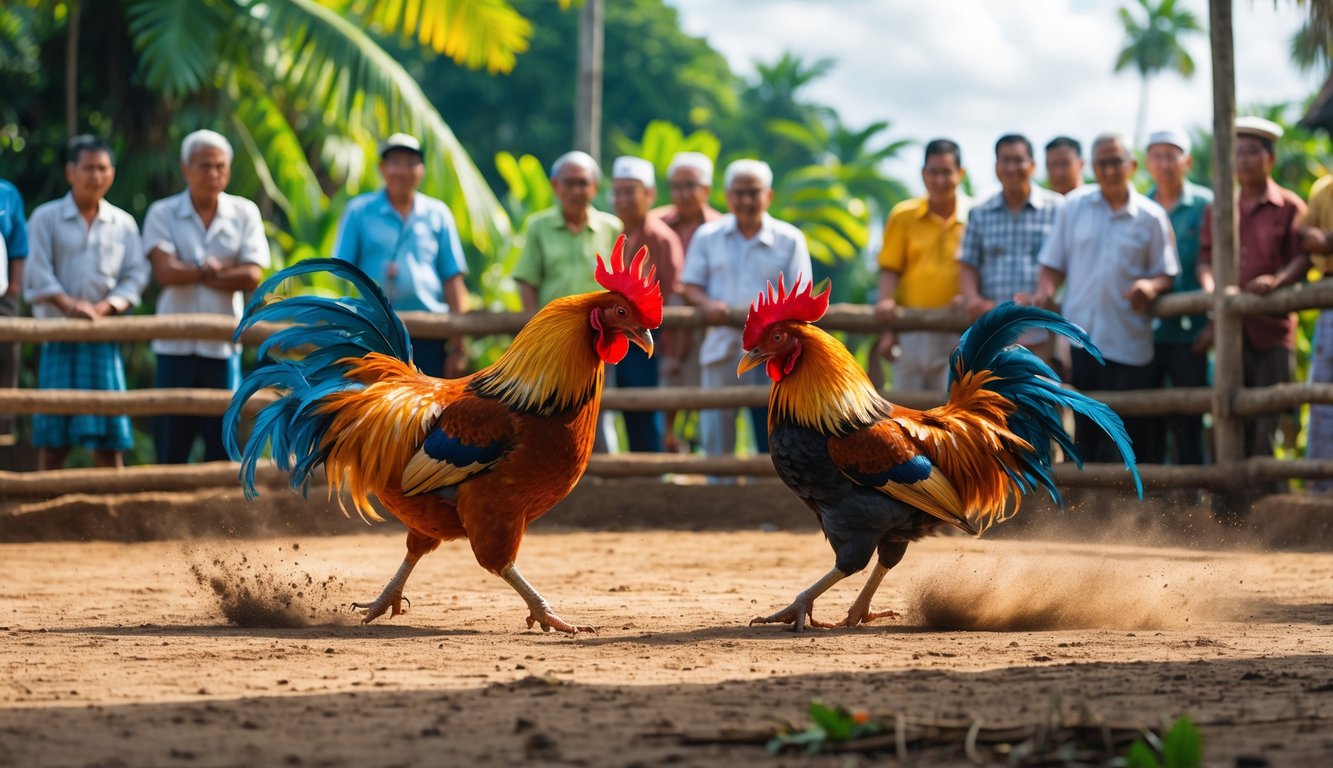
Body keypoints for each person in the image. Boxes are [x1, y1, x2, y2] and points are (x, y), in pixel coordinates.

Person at [1027, 132, 1178, 464]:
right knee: (1086, 431)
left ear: (1132, 165)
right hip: (1083, 341)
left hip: (1130, 342)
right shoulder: (1074, 207)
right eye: (1103, 163)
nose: (1109, 170)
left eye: (1116, 162)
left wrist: (1150, 287)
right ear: (1092, 166)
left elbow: (1166, 272)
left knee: (1126, 431)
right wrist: (1044, 292)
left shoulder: (1151, 216)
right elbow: (1052, 264)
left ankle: (1128, 513)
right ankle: (1088, 509)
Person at [143, 130, 271, 464]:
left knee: (222, 437)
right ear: (185, 168)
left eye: (220, 166)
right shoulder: (162, 212)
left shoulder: (244, 212)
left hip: (222, 345)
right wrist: (218, 268)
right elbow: (165, 273)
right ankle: (166, 509)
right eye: (204, 166)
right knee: (171, 440)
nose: (213, 173)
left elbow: (252, 276)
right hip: (174, 344)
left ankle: (220, 514)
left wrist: (195, 270)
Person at [24, 135, 149, 470]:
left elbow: (136, 275)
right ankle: (43, 513)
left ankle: (114, 514)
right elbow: (36, 268)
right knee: (54, 439)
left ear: (111, 174)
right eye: (89, 168)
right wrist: (69, 305)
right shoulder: (45, 217)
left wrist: (105, 308)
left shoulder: (123, 224)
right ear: (70, 172)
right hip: (58, 335)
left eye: (103, 168)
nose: (96, 175)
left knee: (109, 440)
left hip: (103, 335)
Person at [681, 159, 812, 467]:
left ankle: (767, 491)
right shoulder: (707, 235)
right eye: (739, 193)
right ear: (727, 196)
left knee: (775, 426)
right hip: (722, 344)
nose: (746, 200)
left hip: (775, 352)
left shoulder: (790, 239)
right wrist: (707, 304)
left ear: (769, 196)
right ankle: (718, 491)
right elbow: (690, 285)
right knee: (715, 426)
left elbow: (801, 295)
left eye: (753, 192)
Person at [1198, 116, 1308, 478]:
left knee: (1269, 412)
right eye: (1237, 153)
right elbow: (1206, 258)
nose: (1243, 160)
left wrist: (1277, 281)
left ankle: (1268, 494)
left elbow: (1302, 257)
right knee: (1229, 411)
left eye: (1251, 152)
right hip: (1232, 332)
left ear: (1270, 159)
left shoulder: (1291, 206)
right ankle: (1234, 499)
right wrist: (1214, 290)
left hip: (1273, 329)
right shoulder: (1219, 209)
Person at [334, 133, 469, 378]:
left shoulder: (438, 214)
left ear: (421, 170)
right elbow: (343, 270)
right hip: (375, 332)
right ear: (382, 169)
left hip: (430, 333)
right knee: (376, 408)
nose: (402, 171)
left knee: (429, 411)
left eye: (410, 163)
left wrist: (459, 346)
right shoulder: (359, 211)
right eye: (394, 162)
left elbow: (453, 280)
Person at [512, 150, 622, 451]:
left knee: (598, 408)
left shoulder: (612, 227)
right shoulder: (538, 227)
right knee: (548, 408)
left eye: (583, 182)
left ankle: (602, 469)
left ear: (594, 187)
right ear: (555, 186)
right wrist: (537, 331)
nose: (576, 189)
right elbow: (527, 280)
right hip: (555, 339)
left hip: (598, 337)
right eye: (569, 182)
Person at [958, 134, 1066, 368]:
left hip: (1041, 329)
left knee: (1037, 399)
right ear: (996, 167)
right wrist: (973, 298)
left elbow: (1064, 260)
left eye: (1018, 160)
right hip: (991, 330)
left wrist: (1044, 291)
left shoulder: (1057, 208)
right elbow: (968, 264)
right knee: (992, 401)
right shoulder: (980, 212)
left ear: (1033, 166)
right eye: (1004, 160)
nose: (1011, 168)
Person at [873, 138, 968, 393]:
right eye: (933, 172)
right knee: (908, 412)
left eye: (946, 172)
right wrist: (887, 327)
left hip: (958, 330)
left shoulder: (976, 215)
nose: (939, 180)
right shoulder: (903, 215)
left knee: (951, 412)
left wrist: (969, 297)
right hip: (909, 328)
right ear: (923, 174)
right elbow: (890, 269)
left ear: (961, 173)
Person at [1144, 129, 1213, 466]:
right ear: (1147, 162)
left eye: (1171, 155)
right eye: (1157, 155)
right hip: (1145, 333)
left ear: (1187, 161)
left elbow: (1217, 261)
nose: (1164, 163)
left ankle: (1194, 496)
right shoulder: (1138, 205)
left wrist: (1214, 322)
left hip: (1193, 330)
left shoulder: (1206, 205)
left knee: (1192, 417)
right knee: (1146, 417)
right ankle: (1152, 502)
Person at [609, 155, 683, 453]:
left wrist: (674, 349)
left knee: (645, 411)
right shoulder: (609, 231)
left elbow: (675, 295)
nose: (623, 199)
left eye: (631, 191)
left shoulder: (662, 238)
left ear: (649, 195)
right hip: (614, 340)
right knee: (616, 410)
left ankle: (650, 476)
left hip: (647, 341)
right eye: (618, 191)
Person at [655, 152, 723, 453]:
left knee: (707, 395)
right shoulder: (656, 223)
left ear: (706, 190)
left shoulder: (723, 228)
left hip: (707, 324)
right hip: (660, 323)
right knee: (663, 390)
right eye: (676, 186)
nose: (681, 193)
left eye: (689, 185)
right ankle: (665, 449)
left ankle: (706, 459)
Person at [0, 178, 28, 447]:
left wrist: (14, 290)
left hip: (3, 298)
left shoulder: (7, 192)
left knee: (6, 361)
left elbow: (19, 245)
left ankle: (3, 432)